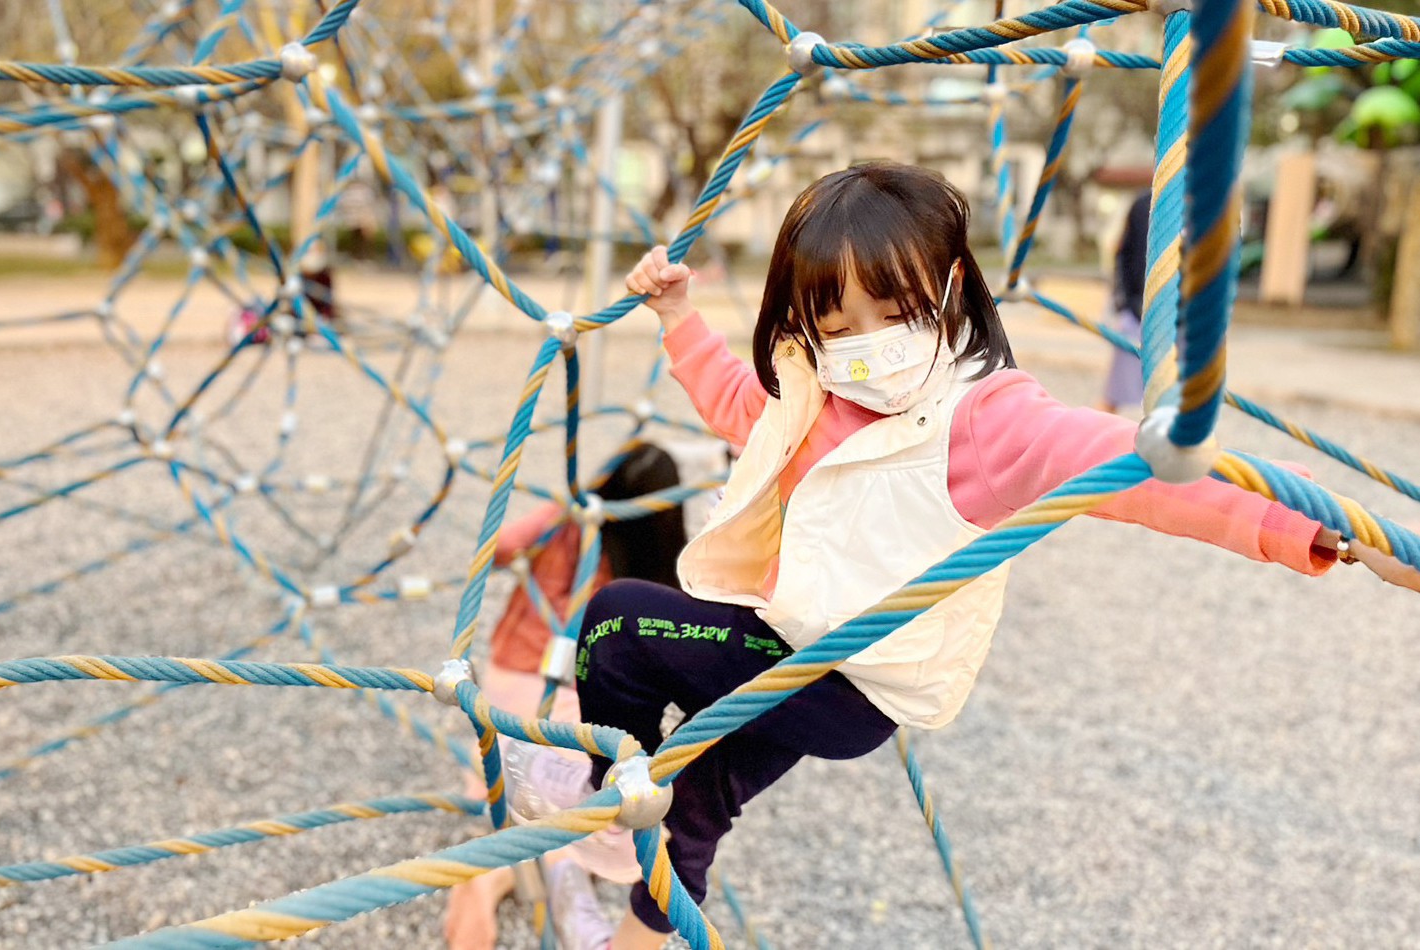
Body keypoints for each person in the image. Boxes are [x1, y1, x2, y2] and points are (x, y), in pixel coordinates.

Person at [535, 162, 1420, 950]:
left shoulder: (987, 423)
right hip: (795, 646)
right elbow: (739, 406)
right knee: (697, 800)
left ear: (953, 284)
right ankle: (640, 925)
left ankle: (609, 783)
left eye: (893, 314)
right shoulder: (818, 388)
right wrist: (678, 317)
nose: (864, 344)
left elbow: (1150, 477)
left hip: (848, 679)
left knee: (616, 622)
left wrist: (1339, 529)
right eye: (835, 324)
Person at [444, 443, 691, 950]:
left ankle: (516, 871)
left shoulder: (568, 524)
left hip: (513, 676)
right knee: (587, 790)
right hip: (573, 693)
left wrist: (565, 504)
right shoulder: (653, 565)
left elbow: (501, 546)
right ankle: (555, 875)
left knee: (524, 784)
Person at [1100, 189, 1149, 414]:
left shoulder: (1202, 202)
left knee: (1176, 393)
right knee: (1116, 388)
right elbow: (1123, 253)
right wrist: (1123, 301)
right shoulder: (1142, 204)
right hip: (1136, 309)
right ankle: (1098, 437)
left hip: (1183, 316)